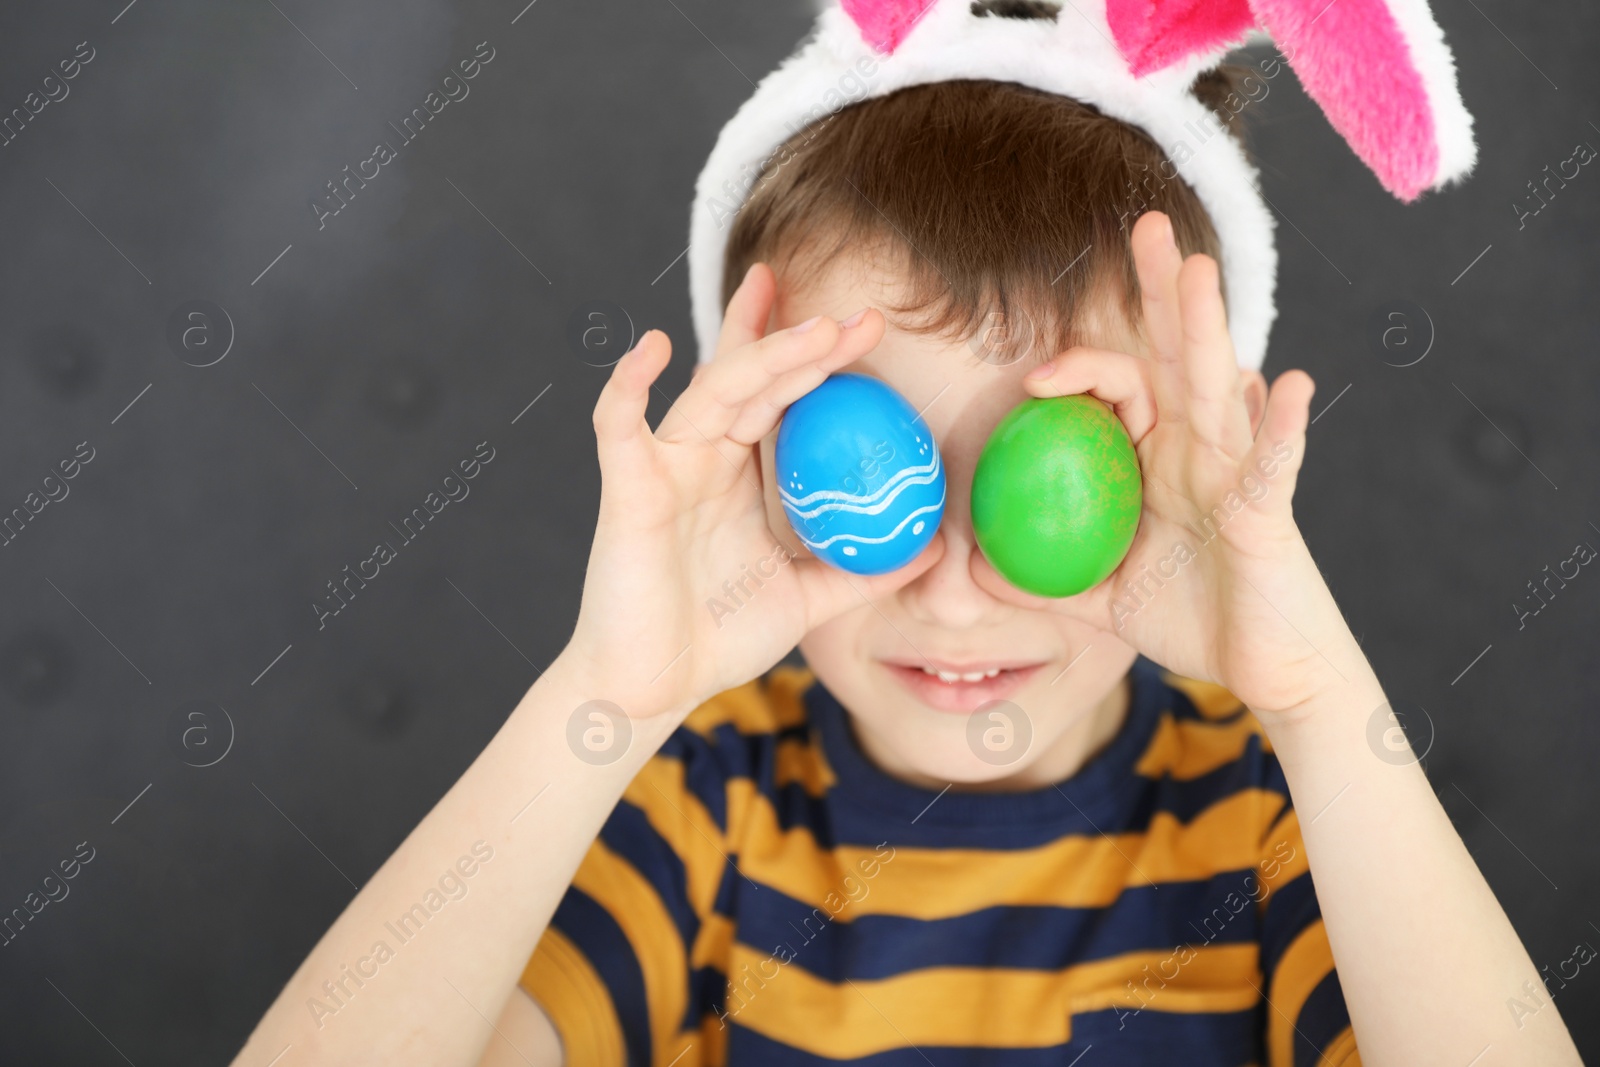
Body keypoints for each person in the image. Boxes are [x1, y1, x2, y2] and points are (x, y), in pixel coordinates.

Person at [233, 5, 1585, 1066]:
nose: (950, 594)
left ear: (1176, 471)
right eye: (875, 482)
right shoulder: (707, 818)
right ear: (756, 466)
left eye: (1045, 481)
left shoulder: (1277, 830)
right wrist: (601, 699)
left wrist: (1310, 696)